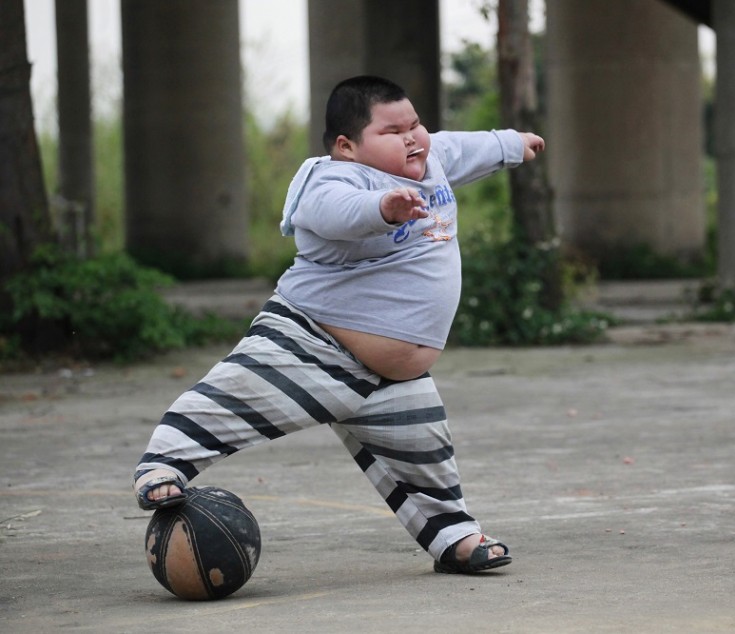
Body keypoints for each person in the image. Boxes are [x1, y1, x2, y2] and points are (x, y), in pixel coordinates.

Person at [132, 75, 545, 575]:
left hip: (395, 376)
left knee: (426, 458)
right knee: (231, 399)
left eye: (415, 125)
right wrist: (383, 208)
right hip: (314, 343)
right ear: (347, 146)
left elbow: (462, 147)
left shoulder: (430, 161)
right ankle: (164, 464)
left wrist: (510, 144)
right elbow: (336, 213)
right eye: (392, 132)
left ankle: (452, 535)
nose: (412, 138)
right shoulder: (328, 180)